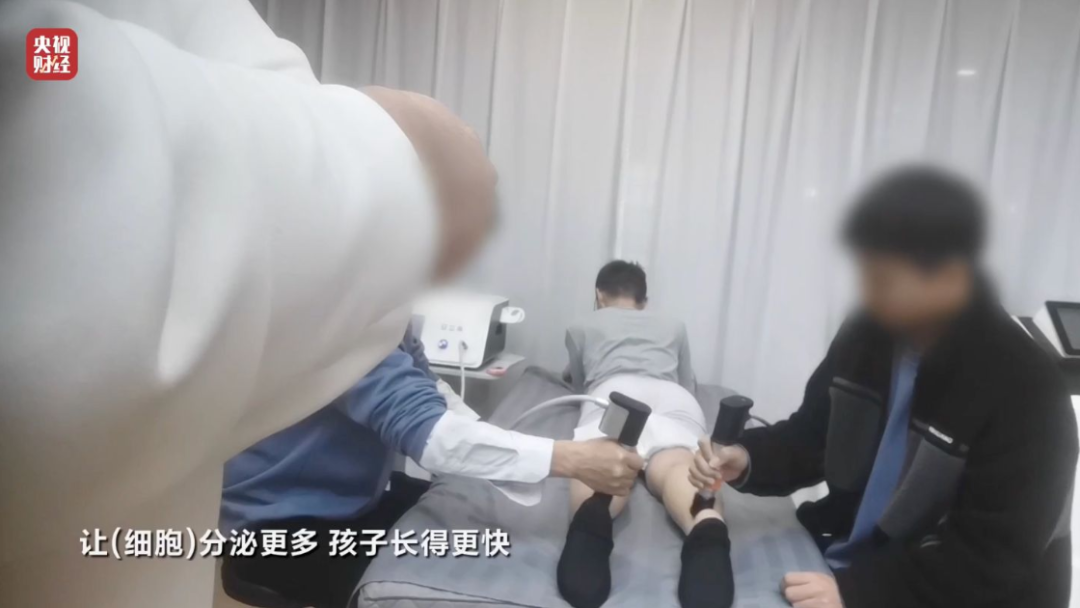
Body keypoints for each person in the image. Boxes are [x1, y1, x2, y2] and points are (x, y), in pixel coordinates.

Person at [0, 1, 501, 606]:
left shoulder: (371, 313)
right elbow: (49, 108)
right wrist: (402, 153)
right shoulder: (341, 306)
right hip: (278, 532)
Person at [690, 166, 1078, 608]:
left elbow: (989, 556)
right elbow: (813, 438)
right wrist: (746, 458)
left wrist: (857, 593)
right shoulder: (868, 334)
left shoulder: (1026, 388)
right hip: (862, 563)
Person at [219, 324, 644, 608]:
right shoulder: (340, 319)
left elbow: (428, 389)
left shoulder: (389, 313)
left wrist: (495, 444)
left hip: (346, 499)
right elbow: (430, 435)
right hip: (275, 528)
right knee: (456, 566)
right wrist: (571, 459)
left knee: (472, 518)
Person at [557, 261, 734, 608]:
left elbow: (579, 384)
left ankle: (594, 514)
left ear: (599, 295)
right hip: (674, 398)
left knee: (603, 461)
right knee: (677, 466)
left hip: (616, 394)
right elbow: (687, 383)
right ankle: (706, 523)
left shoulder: (579, 326)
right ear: (644, 299)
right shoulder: (674, 326)